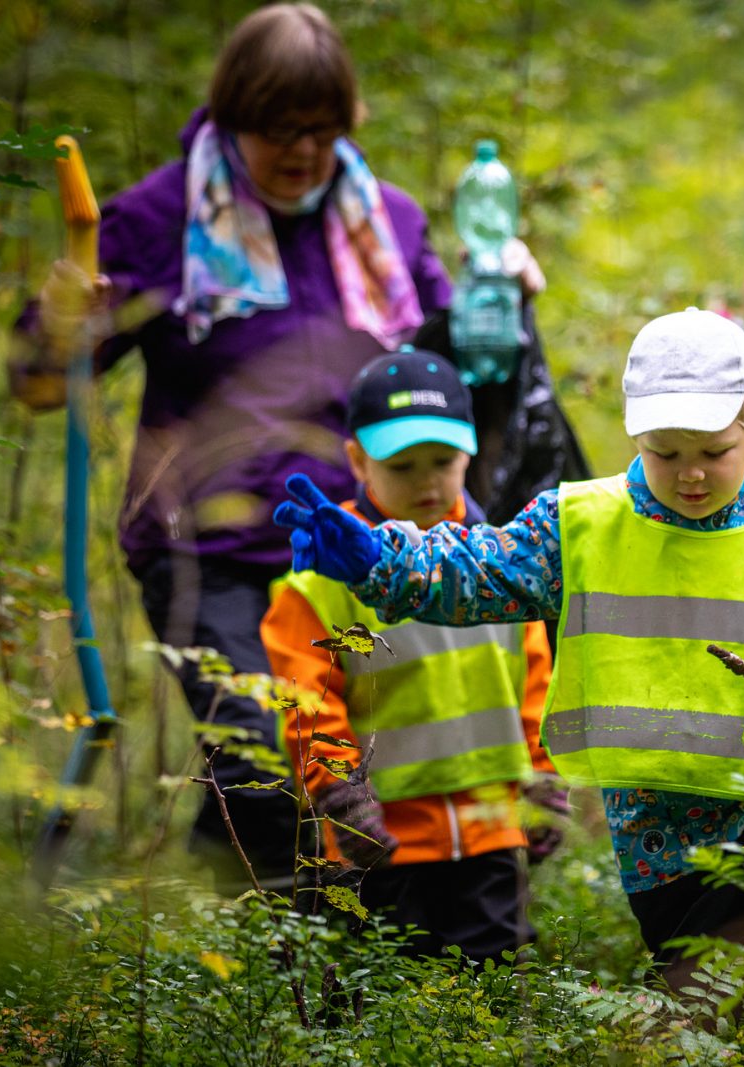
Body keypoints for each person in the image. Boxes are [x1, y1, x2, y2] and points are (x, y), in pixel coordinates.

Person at [6, 3, 565, 886]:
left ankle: (229, 924)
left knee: (352, 758)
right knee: (262, 755)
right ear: (233, 118)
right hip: (210, 548)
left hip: (356, 551)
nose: (302, 151)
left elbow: (442, 373)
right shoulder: (159, 218)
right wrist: (59, 317)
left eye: (322, 128)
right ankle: (281, 970)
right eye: (278, 130)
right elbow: (39, 383)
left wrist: (502, 304)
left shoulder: (390, 222)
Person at [272, 308, 744, 986]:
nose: (690, 474)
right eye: (666, 453)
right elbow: (479, 569)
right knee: (713, 999)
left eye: (712, 452)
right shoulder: (578, 525)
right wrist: (380, 560)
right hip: (662, 840)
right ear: (636, 433)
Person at [260, 348, 564, 961]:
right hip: (379, 844)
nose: (427, 482)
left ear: (471, 452)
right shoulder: (321, 579)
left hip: (490, 836)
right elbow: (307, 707)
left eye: (443, 462)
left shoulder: (502, 563)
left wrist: (544, 778)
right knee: (374, 1005)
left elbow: (536, 685)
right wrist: (342, 797)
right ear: (357, 460)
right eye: (403, 466)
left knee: (493, 992)